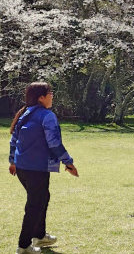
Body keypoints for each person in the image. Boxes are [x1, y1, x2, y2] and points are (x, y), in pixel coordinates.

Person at [8, 82, 79, 254]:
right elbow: (54, 143)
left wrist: (12, 161)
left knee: (42, 198)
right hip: (36, 169)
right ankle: (24, 246)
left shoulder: (25, 113)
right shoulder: (47, 116)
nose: (52, 96)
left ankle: (39, 236)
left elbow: (13, 140)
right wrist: (68, 162)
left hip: (23, 168)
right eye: (50, 93)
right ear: (41, 97)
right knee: (35, 204)